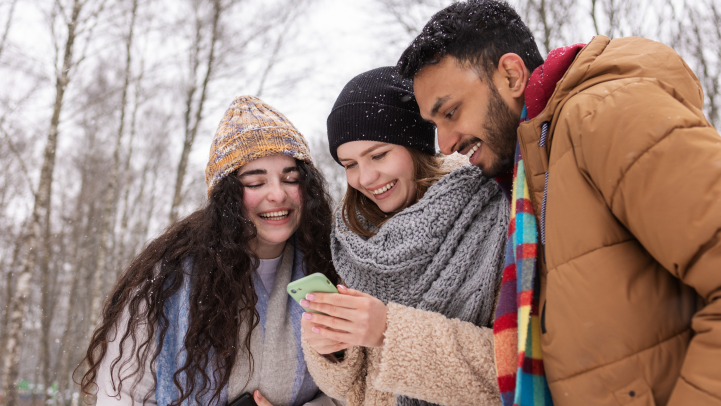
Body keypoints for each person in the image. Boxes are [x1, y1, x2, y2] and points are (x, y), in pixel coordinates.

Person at [395, 0, 721, 405]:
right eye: (435, 125)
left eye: (451, 112)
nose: (445, 144)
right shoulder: (533, 170)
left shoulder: (606, 115)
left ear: (511, 75)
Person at [80, 96, 340, 406]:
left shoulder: (331, 265)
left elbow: (357, 386)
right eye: (255, 182)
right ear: (227, 195)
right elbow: (122, 392)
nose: (277, 193)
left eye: (290, 178)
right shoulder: (169, 274)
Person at [298, 66, 509, 406]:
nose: (365, 178)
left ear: (415, 146)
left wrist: (389, 332)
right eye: (349, 164)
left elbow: (511, 372)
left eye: (378, 155)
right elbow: (352, 391)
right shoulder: (355, 238)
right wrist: (333, 352)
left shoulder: (492, 214)